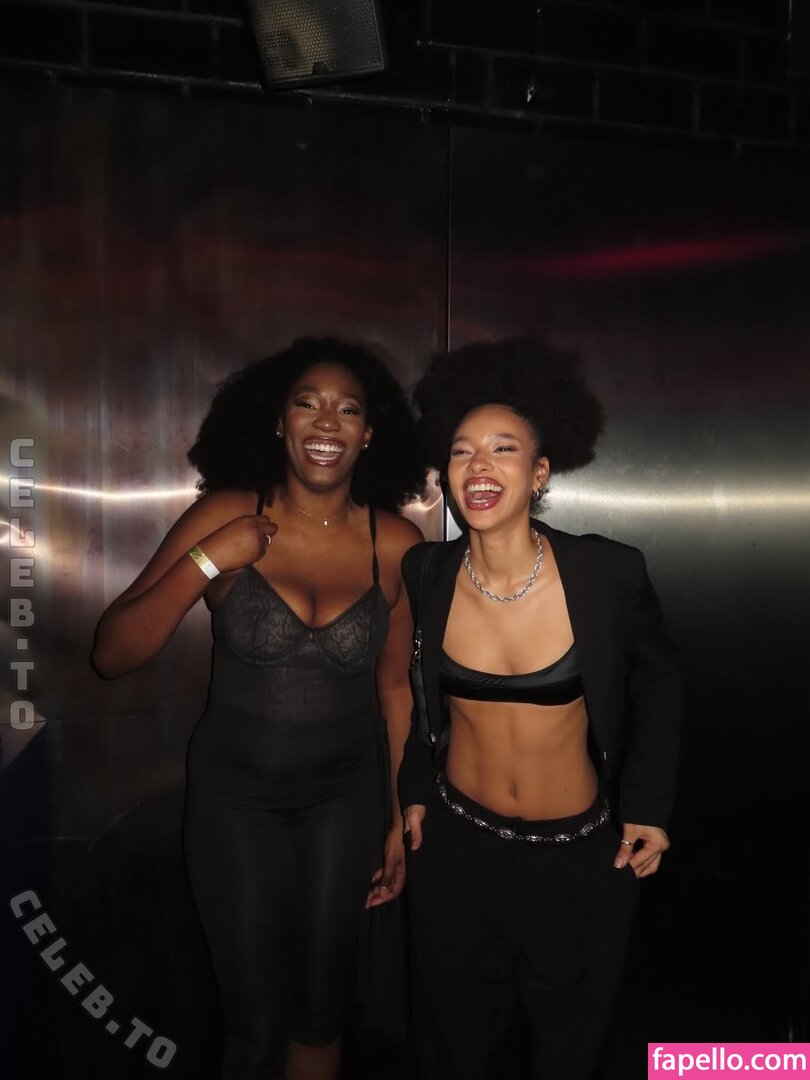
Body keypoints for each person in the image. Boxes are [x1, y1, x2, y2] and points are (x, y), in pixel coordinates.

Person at [92, 337, 425, 1080]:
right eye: (307, 403)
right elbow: (112, 653)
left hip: (344, 800)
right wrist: (212, 557)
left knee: (322, 1007)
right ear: (279, 421)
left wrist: (400, 813)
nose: (326, 421)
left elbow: (396, 689)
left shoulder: (397, 543)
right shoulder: (227, 512)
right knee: (254, 1021)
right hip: (234, 802)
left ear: (370, 433)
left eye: (348, 409)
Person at [398, 339, 681, 1080]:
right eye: (462, 451)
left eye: (503, 449)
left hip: (579, 860)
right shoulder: (425, 571)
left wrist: (648, 805)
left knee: (568, 1053)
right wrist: (414, 789)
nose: (479, 466)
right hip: (457, 852)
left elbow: (659, 683)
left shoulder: (606, 572)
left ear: (541, 472)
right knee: (455, 1052)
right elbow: (416, 692)